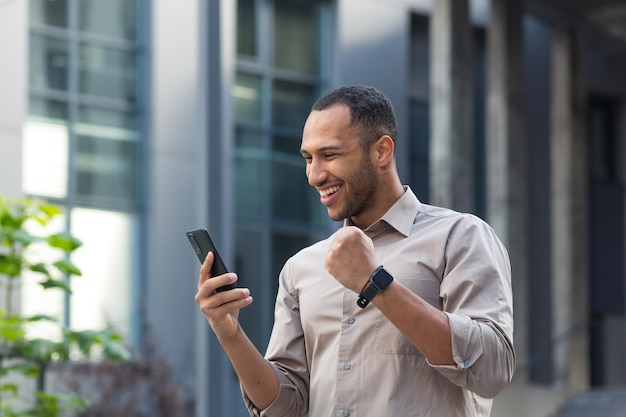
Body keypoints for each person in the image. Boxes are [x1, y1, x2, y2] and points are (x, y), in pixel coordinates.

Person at [195, 85, 515, 417]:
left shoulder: (459, 236)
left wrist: (375, 284)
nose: (314, 175)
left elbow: (492, 369)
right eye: (308, 158)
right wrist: (229, 332)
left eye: (329, 155)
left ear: (382, 151)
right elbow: (285, 408)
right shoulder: (301, 268)